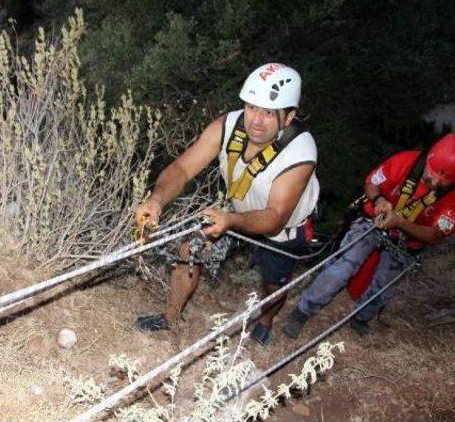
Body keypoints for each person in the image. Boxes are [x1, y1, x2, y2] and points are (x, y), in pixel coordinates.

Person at [134, 63, 319, 346]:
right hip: (237, 214)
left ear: (288, 117)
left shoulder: (300, 151)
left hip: (283, 231)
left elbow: (276, 217)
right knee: (189, 248)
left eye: (269, 113)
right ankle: (170, 317)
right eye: (252, 107)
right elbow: (183, 169)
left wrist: (231, 221)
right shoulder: (228, 126)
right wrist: (157, 199)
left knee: (273, 284)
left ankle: (266, 320)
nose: (256, 120)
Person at [282, 132, 455, 338]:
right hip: (373, 223)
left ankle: (361, 318)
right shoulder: (406, 161)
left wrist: (401, 223)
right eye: (430, 174)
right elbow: (371, 182)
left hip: (407, 242)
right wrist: (379, 200)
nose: (432, 181)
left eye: (441, 182)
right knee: (343, 267)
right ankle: (302, 311)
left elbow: (435, 235)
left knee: (383, 286)